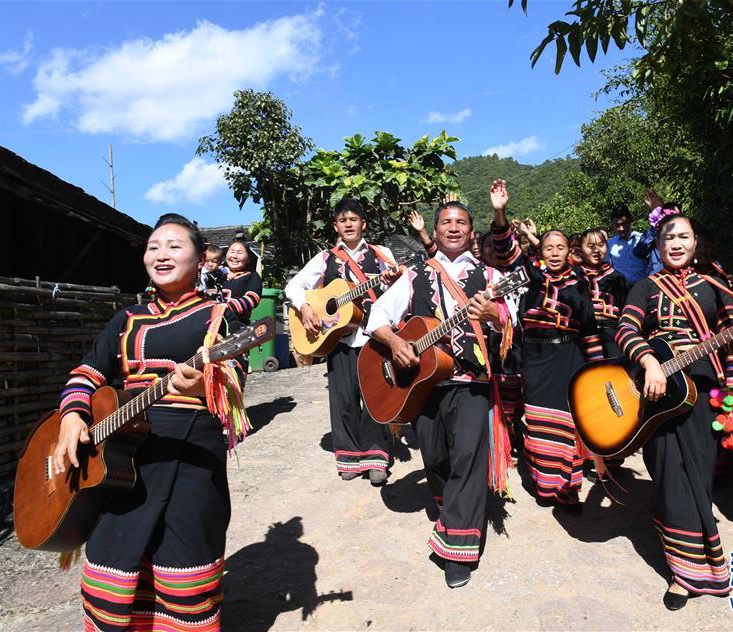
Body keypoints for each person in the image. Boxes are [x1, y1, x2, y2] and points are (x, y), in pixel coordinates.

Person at [53, 213, 247, 631]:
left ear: (200, 261)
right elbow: (89, 371)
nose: (161, 254)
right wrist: (72, 415)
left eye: (175, 246)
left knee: (185, 560)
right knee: (112, 561)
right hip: (123, 459)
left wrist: (197, 388)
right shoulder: (124, 320)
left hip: (191, 455)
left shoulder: (218, 316)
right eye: (153, 246)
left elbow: (233, 383)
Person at [367, 199, 516, 589]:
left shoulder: (492, 275)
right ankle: (449, 508)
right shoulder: (415, 274)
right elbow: (376, 317)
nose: (453, 228)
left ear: (471, 231)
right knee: (434, 458)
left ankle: (458, 547)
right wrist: (395, 342)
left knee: (469, 459)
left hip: (473, 381)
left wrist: (493, 316)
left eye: (461, 222)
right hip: (424, 384)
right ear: (434, 232)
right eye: (446, 222)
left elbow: (510, 322)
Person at [615, 212, 733, 610]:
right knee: (667, 478)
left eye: (684, 237)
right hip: (658, 396)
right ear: (658, 246)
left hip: (703, 393)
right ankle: (681, 574)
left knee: (697, 477)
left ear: (696, 243)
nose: (676, 244)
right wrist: (648, 362)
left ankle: (708, 567)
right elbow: (626, 330)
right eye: (668, 238)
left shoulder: (716, 285)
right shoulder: (645, 286)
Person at [489, 179, 602, 510]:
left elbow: (591, 331)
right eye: (549, 248)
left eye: (561, 248)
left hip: (569, 358)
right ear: (540, 251)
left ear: (570, 252)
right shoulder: (529, 276)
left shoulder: (580, 284)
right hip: (536, 359)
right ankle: (543, 482)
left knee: (569, 426)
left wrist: (595, 372)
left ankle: (568, 490)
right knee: (538, 424)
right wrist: (500, 212)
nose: (554, 253)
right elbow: (505, 250)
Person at [284, 198, 399, 485]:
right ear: (336, 226)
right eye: (343, 220)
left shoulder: (382, 254)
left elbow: (399, 289)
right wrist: (305, 307)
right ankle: (348, 455)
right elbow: (293, 286)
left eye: (354, 219)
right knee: (343, 399)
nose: (348, 224)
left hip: (374, 336)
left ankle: (376, 457)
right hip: (339, 338)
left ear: (364, 224)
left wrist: (390, 280)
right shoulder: (325, 258)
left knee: (375, 397)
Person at [579, 227, 628, 358]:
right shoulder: (574, 277)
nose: (596, 250)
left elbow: (624, 309)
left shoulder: (617, 277)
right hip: (583, 334)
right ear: (580, 250)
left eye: (601, 245)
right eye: (590, 246)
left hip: (612, 334)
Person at [220, 239, 262, 324]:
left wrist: (226, 307)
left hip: (236, 324)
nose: (235, 256)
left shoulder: (252, 276)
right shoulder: (217, 274)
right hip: (211, 324)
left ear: (248, 258)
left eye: (240, 253)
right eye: (232, 251)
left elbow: (253, 298)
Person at [606, 205, 648, 286]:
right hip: (620, 290)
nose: (621, 228)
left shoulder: (643, 241)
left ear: (631, 220)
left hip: (641, 288)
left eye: (624, 224)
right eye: (617, 225)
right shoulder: (609, 244)